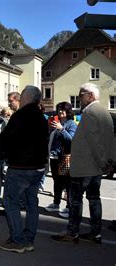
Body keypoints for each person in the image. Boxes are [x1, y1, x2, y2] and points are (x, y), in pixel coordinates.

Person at [0, 85, 48, 253]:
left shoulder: (21, 115)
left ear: (26, 98)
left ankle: (17, 240)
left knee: (11, 201)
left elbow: (6, 138)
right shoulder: (41, 117)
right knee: (32, 203)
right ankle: (28, 240)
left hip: (21, 166)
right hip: (37, 168)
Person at [51, 83, 114, 244]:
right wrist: (110, 161)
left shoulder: (90, 112)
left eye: (81, 95)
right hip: (95, 167)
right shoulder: (104, 112)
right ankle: (95, 233)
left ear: (90, 96)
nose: (79, 98)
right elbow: (110, 140)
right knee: (94, 199)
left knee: (75, 200)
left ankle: (72, 232)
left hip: (85, 166)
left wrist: (103, 162)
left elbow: (95, 142)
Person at [44, 102, 77, 218]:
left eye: (63, 110)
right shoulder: (57, 122)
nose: (60, 112)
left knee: (67, 183)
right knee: (57, 181)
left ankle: (69, 207)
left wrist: (61, 129)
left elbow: (72, 140)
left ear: (68, 111)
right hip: (54, 156)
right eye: (59, 110)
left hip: (65, 157)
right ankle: (56, 203)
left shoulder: (71, 124)